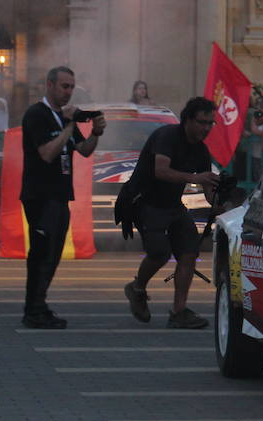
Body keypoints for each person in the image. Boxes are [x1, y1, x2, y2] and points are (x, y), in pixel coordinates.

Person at [19, 66, 106, 329]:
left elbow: (84, 150)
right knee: (41, 253)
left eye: (71, 87)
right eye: (64, 86)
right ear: (50, 85)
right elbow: (47, 153)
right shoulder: (38, 115)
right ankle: (32, 310)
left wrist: (96, 133)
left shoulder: (63, 118)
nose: (69, 92)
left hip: (60, 195)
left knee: (53, 253)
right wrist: (69, 125)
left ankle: (39, 305)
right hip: (40, 195)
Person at [123, 97, 219, 329]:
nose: (206, 128)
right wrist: (195, 178)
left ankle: (178, 311)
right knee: (159, 253)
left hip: (173, 206)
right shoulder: (168, 137)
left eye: (210, 123)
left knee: (189, 253)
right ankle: (137, 289)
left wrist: (220, 202)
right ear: (187, 120)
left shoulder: (201, 150)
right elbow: (161, 171)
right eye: (202, 122)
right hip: (144, 202)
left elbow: (208, 189)